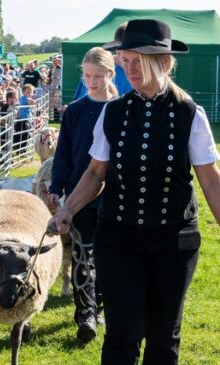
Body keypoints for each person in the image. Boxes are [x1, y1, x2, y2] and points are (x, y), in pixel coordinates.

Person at [47, 19, 220, 364]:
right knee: (121, 335)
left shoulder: (190, 114)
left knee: (162, 336)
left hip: (173, 241)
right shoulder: (113, 112)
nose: (130, 69)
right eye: (125, 61)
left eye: (137, 61)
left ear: (163, 61)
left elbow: (210, 180)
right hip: (119, 238)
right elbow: (96, 172)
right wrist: (68, 208)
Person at [47, 47, 117, 343]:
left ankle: (100, 306)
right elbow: (63, 153)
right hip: (79, 193)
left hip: (115, 195)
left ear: (111, 75)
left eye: (98, 76)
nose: (92, 81)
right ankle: (85, 313)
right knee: (82, 254)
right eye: (87, 76)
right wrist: (56, 187)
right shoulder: (75, 111)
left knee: (108, 256)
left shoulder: (121, 108)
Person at [74, 23, 132, 100]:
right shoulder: (98, 69)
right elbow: (81, 106)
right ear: (115, 48)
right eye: (119, 53)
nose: (123, 58)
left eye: (130, 54)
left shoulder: (143, 75)